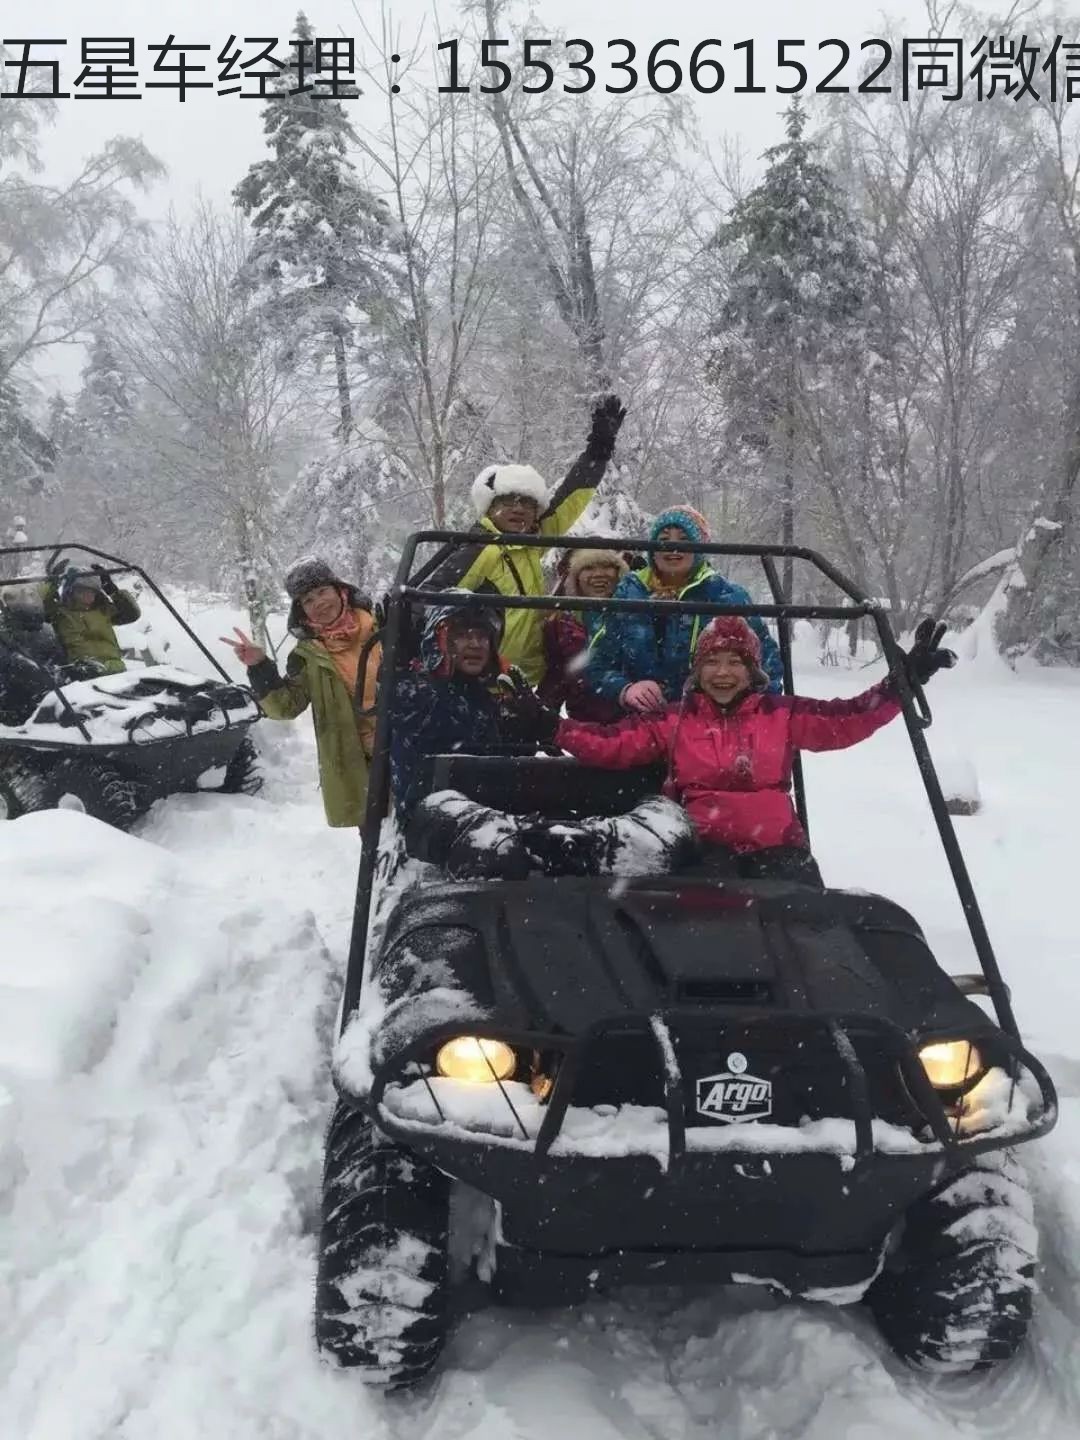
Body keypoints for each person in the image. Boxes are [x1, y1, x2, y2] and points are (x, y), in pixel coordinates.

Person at [542, 615, 956, 884]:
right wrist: (554, 729)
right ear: (698, 671)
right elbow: (612, 744)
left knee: (798, 911)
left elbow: (847, 719)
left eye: (735, 663)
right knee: (706, 909)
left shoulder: (781, 714)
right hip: (703, 846)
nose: (723, 673)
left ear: (752, 670)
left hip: (777, 847)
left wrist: (898, 685)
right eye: (713, 663)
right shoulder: (674, 719)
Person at [394, 599, 696, 880]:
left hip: (495, 799)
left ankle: (589, 846)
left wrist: (535, 726)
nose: (475, 644)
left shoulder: (491, 693)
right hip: (437, 808)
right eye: (462, 635)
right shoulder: (417, 694)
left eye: (482, 636)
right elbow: (432, 764)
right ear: (440, 640)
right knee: (498, 847)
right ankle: (527, 844)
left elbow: (503, 753)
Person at [422, 395, 627, 685]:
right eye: (508, 501)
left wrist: (598, 451)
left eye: (527, 504)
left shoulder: (532, 539)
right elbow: (432, 595)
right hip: (490, 678)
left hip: (528, 677)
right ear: (490, 509)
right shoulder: (481, 548)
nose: (518, 509)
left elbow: (571, 497)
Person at [222, 557, 379, 828]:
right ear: (301, 610)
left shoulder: (384, 627)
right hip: (358, 766)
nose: (318, 602)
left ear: (340, 591)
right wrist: (260, 667)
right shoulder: (306, 657)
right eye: (307, 600)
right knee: (380, 847)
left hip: (405, 748)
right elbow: (284, 707)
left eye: (322, 592)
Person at [588, 506, 784, 712]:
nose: (673, 548)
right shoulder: (628, 593)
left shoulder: (727, 597)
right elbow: (597, 662)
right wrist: (625, 689)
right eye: (664, 539)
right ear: (652, 549)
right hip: (639, 721)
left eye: (684, 540)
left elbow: (767, 665)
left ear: (699, 549)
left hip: (709, 723)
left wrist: (741, 711)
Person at [538, 548, 627, 723]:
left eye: (607, 566)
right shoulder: (561, 624)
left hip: (633, 720)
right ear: (576, 577)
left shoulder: (636, 615)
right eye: (589, 568)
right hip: (584, 723)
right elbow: (556, 675)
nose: (599, 574)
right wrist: (544, 720)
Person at [42, 563, 141, 676]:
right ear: (71, 591)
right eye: (81, 591)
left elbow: (132, 614)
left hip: (115, 671)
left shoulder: (103, 610)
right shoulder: (60, 613)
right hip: (81, 673)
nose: (87, 595)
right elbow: (42, 607)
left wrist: (112, 590)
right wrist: (52, 584)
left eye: (91, 591)